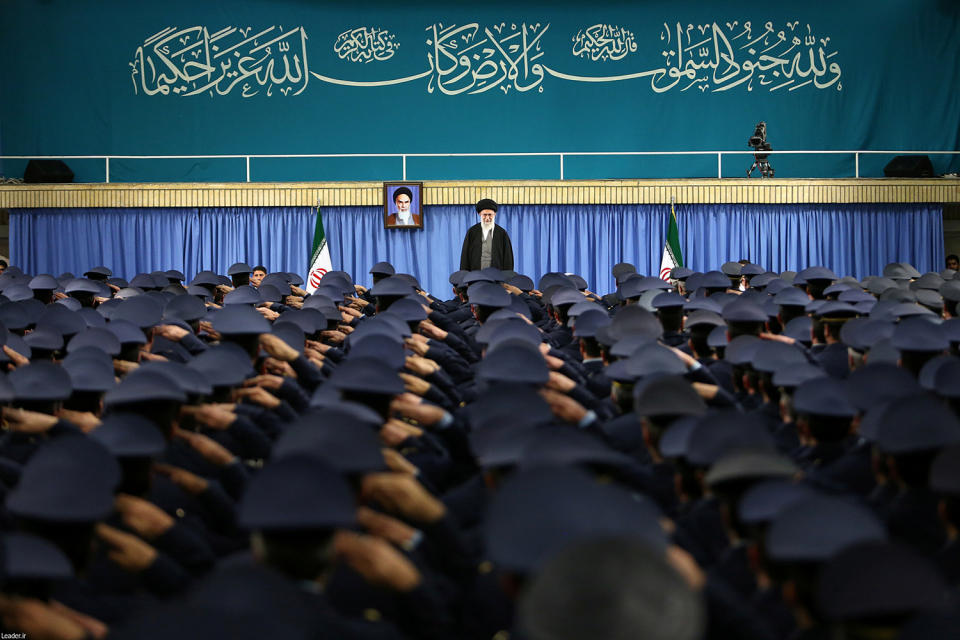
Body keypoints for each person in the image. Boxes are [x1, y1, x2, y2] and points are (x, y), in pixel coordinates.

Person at [460, 198, 514, 271]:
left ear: (494, 214)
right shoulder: (472, 232)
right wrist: (464, 277)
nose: (487, 218)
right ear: (479, 214)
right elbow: (465, 257)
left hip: (496, 277)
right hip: (475, 276)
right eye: (484, 215)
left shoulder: (502, 233)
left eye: (490, 215)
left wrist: (507, 279)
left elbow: (508, 259)